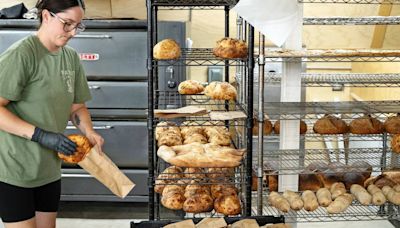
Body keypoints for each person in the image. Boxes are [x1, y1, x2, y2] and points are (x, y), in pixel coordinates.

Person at [0, 0, 104, 227]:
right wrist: (41, 135)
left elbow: (77, 106)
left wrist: (89, 131)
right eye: (67, 24)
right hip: (15, 168)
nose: (73, 32)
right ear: (46, 16)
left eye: (78, 26)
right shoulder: (22, 55)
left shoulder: (70, 58)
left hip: (49, 168)